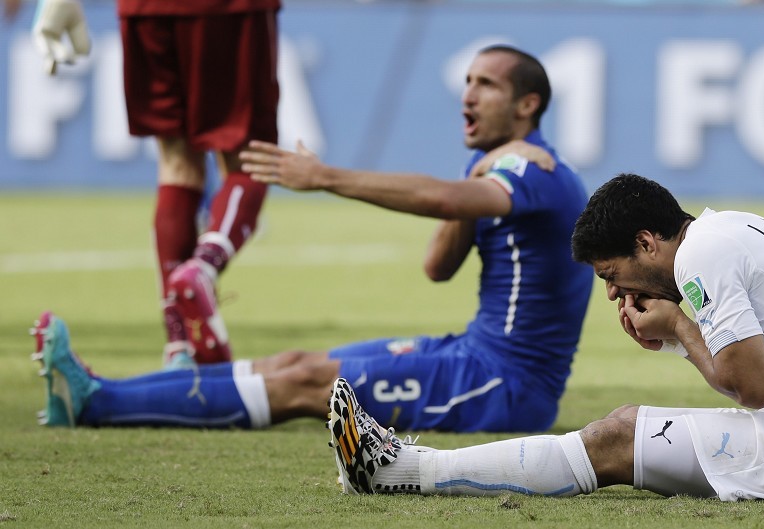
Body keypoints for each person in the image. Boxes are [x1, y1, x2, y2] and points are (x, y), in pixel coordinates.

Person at [31, 45, 594, 434]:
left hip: (503, 386)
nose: (467, 95)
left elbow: (443, 200)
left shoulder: (531, 169)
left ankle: (92, 402)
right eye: (467, 81)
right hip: (471, 352)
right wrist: (470, 179)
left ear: (527, 105)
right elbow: (437, 266)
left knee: (307, 384)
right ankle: (106, 388)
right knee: (296, 360)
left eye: (486, 85)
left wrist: (325, 177)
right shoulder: (493, 166)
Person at [326, 173, 764, 503]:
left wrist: (674, 324)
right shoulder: (720, 231)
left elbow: (750, 387)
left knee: (617, 436)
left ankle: (400, 473)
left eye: (609, 274)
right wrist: (677, 332)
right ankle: (403, 467)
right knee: (621, 426)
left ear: (647, 241)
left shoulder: (702, 255)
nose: (614, 292)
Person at [23, 0, 280, 367]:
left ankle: (180, 345)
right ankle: (202, 269)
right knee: (250, 159)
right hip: (227, 9)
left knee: (176, 163)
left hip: (145, 9)